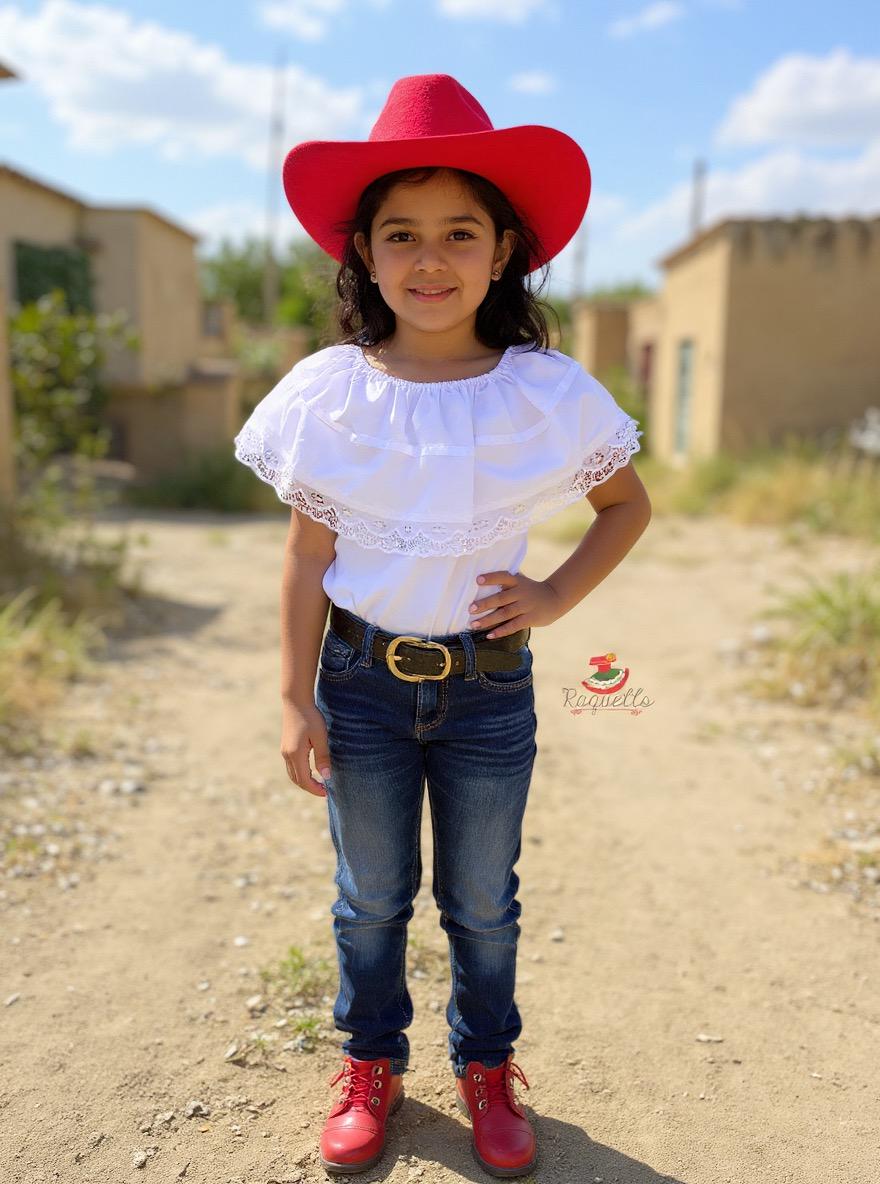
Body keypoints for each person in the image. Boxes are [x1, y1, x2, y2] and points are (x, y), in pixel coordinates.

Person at [233, 72, 651, 1178]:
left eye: (459, 231)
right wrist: (290, 695)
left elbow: (625, 506)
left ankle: (484, 1066)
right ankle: (372, 1062)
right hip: (360, 684)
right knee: (370, 895)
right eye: (401, 233)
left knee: (480, 898)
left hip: (486, 693)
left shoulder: (543, 392)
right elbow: (306, 556)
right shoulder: (330, 394)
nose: (430, 258)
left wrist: (555, 596)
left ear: (504, 248)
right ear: (362, 254)